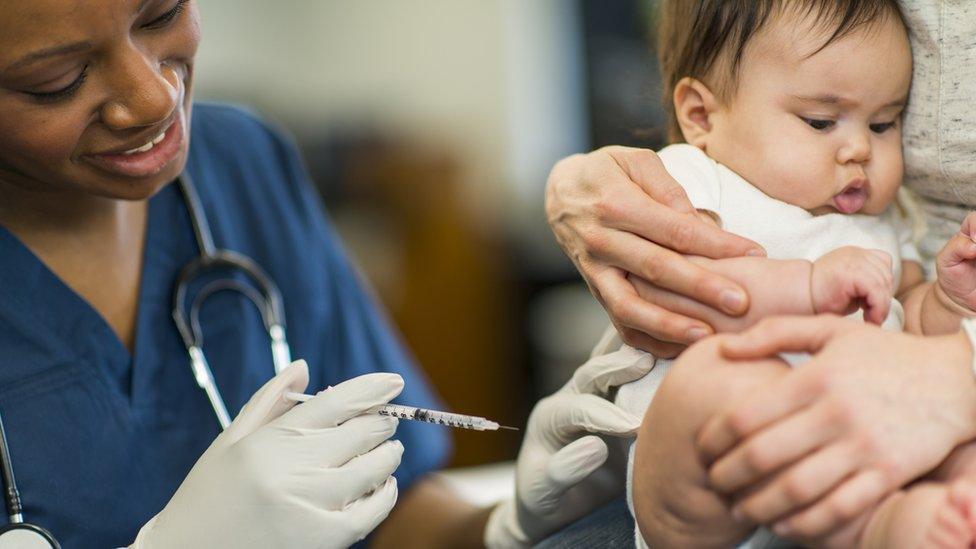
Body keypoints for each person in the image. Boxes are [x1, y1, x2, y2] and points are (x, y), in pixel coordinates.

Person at [0, 1, 643, 547]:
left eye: (162, 14)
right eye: (56, 79)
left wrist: (510, 524)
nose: (154, 97)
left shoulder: (241, 166)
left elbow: (392, 516)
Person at [545, 0, 976, 545]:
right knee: (714, 383)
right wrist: (811, 285)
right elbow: (679, 291)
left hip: (866, 451)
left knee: (961, 448)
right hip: (709, 484)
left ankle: (919, 522)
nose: (859, 149)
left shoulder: (885, 220)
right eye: (821, 121)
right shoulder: (696, 185)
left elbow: (910, 319)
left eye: (884, 122)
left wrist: (950, 304)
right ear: (701, 117)